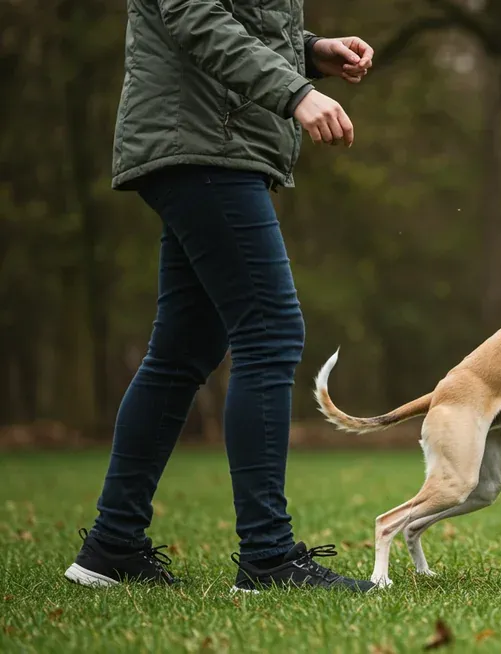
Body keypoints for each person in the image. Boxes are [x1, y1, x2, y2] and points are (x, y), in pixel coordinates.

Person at [64, 0, 376, 592]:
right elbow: (194, 16)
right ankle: (268, 557)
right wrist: (295, 91)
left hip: (214, 141)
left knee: (182, 350)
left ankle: (112, 546)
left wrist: (310, 50)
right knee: (270, 334)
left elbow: (243, 16)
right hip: (204, 141)